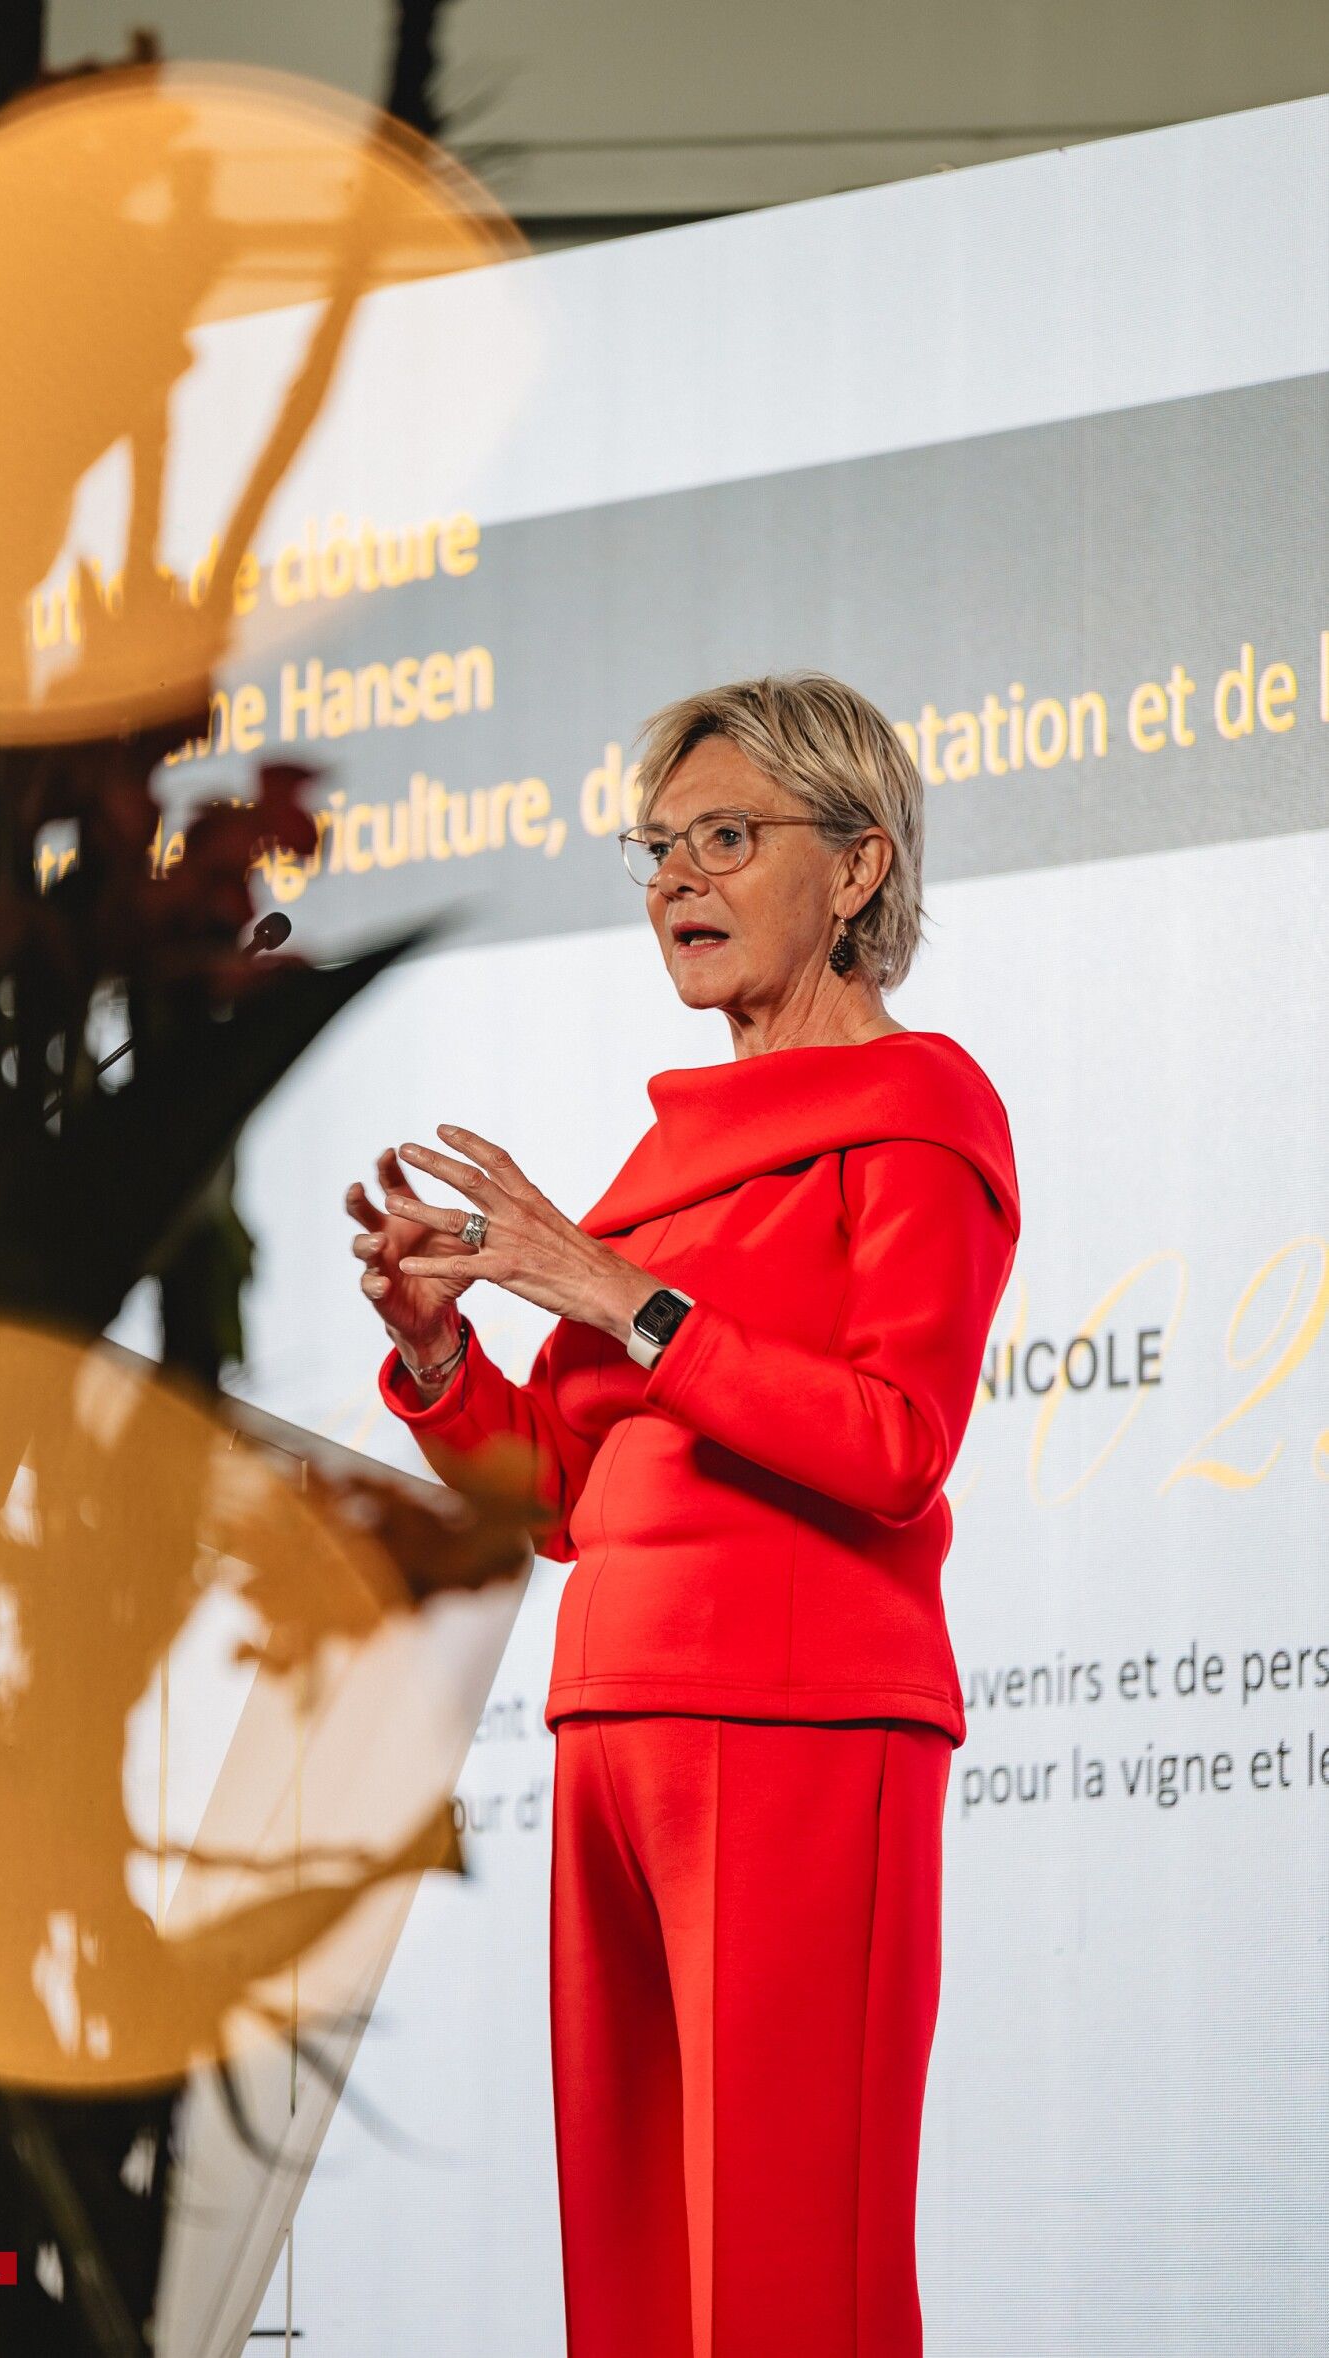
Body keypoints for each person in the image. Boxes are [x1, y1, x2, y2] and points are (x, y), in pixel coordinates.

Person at [344, 671, 1021, 2358]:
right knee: (637, 2287)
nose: (676, 881)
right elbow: (563, 1491)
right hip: (610, 1731)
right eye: (658, 848)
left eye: (725, 838)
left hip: (799, 1725)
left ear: (857, 866)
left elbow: (896, 1440)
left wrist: (616, 1292)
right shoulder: (669, 1162)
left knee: (792, 2282)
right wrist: (436, 1354)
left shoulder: (921, 1105)